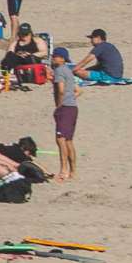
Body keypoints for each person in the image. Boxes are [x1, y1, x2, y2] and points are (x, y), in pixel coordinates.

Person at [49, 48, 80, 181]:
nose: (53, 58)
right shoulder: (68, 70)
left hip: (65, 108)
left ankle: (64, 171)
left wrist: (59, 106)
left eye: (56, 56)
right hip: (72, 107)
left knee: (61, 140)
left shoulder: (60, 71)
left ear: (62, 59)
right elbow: (78, 91)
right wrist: (70, 98)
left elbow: (61, 90)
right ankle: (73, 172)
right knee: (68, 141)